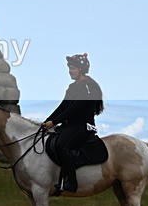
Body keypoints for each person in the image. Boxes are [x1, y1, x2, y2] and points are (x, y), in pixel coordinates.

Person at [42, 53, 105, 196]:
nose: (70, 71)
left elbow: (74, 109)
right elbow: (63, 106)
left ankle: (71, 181)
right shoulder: (72, 87)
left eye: (73, 68)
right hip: (70, 125)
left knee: (61, 144)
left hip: (83, 126)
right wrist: (48, 121)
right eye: (70, 68)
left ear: (81, 69)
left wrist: (54, 122)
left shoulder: (89, 87)